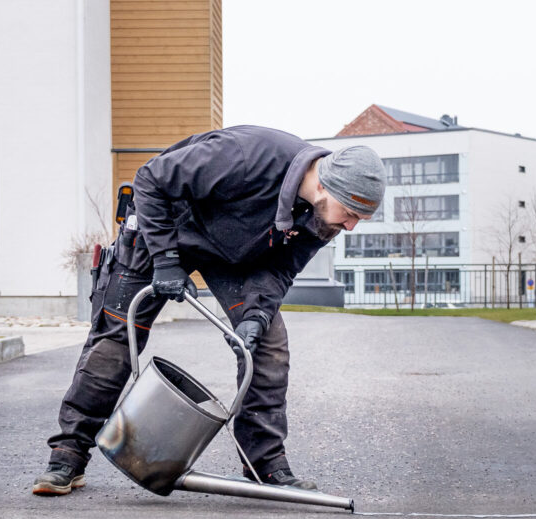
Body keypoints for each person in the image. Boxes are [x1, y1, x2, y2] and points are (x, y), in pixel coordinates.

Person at [33, 126, 385, 496]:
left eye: (358, 218)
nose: (350, 225)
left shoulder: (320, 218)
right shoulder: (245, 156)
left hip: (232, 255)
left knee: (267, 343)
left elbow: (280, 269)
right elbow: (150, 180)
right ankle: (67, 456)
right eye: (351, 213)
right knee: (116, 338)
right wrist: (166, 261)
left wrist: (256, 315)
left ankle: (265, 466)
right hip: (164, 229)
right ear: (328, 186)